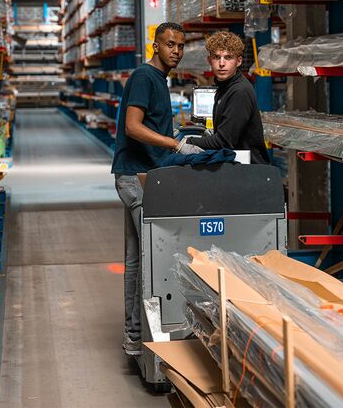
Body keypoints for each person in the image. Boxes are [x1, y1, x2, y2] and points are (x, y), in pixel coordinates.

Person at [111, 22, 202, 356]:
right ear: (155, 46)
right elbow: (133, 127)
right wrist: (174, 145)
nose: (175, 50)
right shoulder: (145, 77)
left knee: (136, 258)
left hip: (139, 174)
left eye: (180, 45)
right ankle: (141, 338)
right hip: (138, 177)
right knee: (150, 258)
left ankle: (133, 337)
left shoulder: (159, 80)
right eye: (169, 44)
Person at [182, 31, 270, 164]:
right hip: (236, 166)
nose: (222, 63)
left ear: (238, 61)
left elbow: (224, 141)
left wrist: (187, 142)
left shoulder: (240, 91)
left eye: (228, 57)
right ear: (209, 60)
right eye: (217, 57)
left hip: (250, 172)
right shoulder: (224, 88)